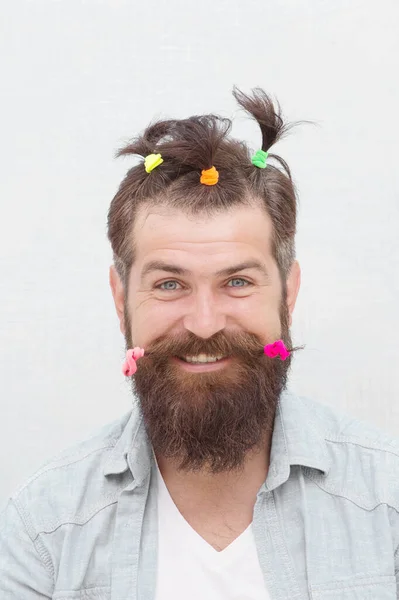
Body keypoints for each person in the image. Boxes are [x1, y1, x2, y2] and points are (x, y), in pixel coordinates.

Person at [1, 87, 399, 600]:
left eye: (237, 282)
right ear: (121, 299)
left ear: (289, 292)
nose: (205, 323)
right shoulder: (44, 530)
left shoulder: (388, 502)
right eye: (170, 284)